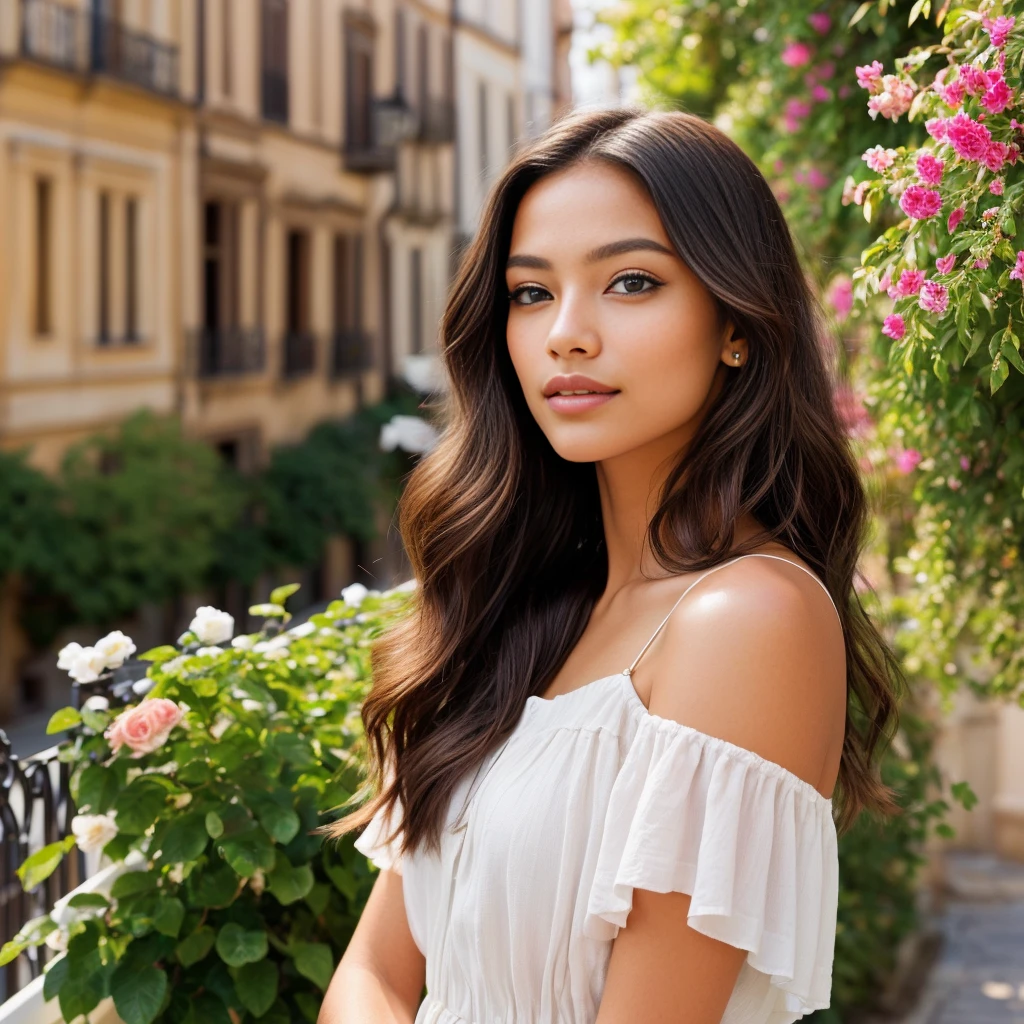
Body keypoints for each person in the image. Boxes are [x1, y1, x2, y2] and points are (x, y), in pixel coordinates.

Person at [316, 106, 903, 1024]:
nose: (567, 334)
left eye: (630, 283)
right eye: (531, 292)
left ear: (736, 324)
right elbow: (373, 977)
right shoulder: (522, 608)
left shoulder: (749, 619)